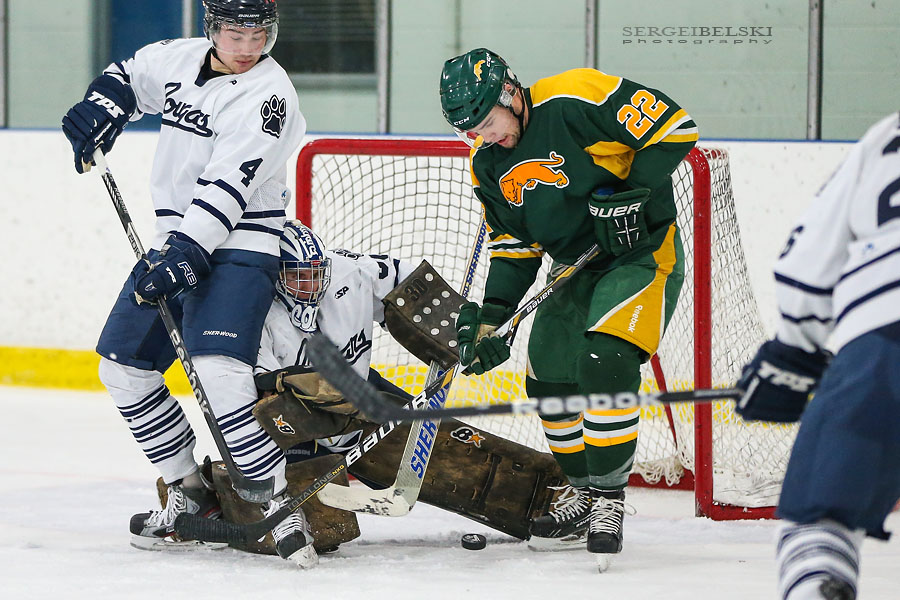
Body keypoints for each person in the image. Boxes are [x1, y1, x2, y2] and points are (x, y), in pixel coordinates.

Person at [61, 0, 312, 567]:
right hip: (174, 240)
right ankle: (188, 487)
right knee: (121, 367)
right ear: (211, 28)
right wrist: (103, 108)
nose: (248, 46)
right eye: (234, 31)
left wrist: (188, 251)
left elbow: (231, 183)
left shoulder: (270, 95)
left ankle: (277, 502)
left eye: (259, 33)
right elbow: (130, 75)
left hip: (241, 242)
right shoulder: (181, 60)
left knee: (219, 373)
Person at [439, 48, 698, 566]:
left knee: (605, 360)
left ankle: (608, 501)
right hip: (572, 269)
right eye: (473, 131)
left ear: (511, 93)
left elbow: (676, 127)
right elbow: (515, 247)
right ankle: (581, 495)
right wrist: (492, 317)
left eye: (489, 122)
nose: (485, 137)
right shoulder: (487, 162)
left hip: (639, 255)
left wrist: (631, 192)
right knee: (549, 377)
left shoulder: (574, 97)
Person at [736, 112, 900, 600]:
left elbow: (809, 260)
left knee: (817, 523)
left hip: (884, 335)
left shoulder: (890, 134)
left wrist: (795, 348)